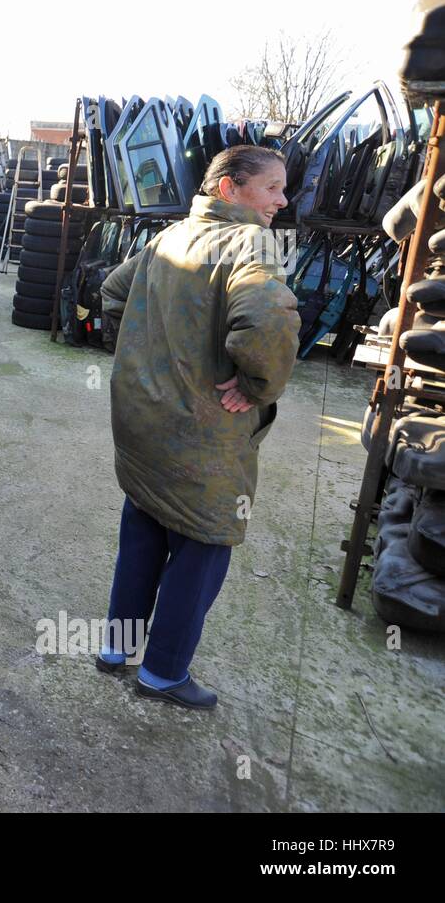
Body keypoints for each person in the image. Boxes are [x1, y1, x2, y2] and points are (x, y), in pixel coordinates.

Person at [95, 145, 300, 710]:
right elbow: (268, 323)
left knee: (142, 532)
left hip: (143, 424)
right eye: (273, 188)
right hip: (203, 439)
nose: (283, 201)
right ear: (230, 188)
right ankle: (162, 672)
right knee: (204, 544)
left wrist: (143, 358)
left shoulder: (171, 237)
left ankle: (117, 649)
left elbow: (113, 292)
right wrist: (257, 386)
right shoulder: (251, 242)